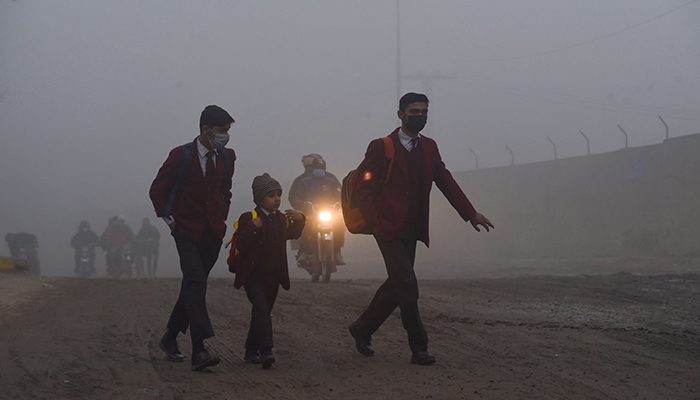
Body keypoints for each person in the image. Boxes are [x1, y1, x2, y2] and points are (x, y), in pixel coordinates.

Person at [347, 93, 494, 365]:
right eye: (414, 111)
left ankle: (362, 328)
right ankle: (419, 347)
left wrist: (470, 213)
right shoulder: (382, 147)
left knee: (398, 285)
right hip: (387, 227)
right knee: (408, 286)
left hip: (412, 227)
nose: (420, 116)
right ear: (400, 114)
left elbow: (445, 180)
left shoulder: (430, 147)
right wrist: (376, 222)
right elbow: (363, 190)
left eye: (424, 112)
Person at [149, 104, 236, 372]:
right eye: (221, 131)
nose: (225, 136)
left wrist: (221, 219)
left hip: (212, 232)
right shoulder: (181, 155)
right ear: (205, 130)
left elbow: (225, 191)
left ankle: (169, 338)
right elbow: (157, 192)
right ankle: (199, 350)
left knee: (193, 284)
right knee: (197, 282)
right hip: (185, 230)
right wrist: (172, 223)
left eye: (228, 131)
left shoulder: (227, 157)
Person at [229, 173, 305, 369]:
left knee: (262, 312)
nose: (277, 199)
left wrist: (301, 219)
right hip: (252, 275)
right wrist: (253, 228)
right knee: (262, 309)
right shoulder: (249, 218)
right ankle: (266, 351)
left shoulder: (281, 219)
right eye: (271, 195)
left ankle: (250, 350)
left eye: (278, 194)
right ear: (260, 198)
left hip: (273, 275)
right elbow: (243, 245)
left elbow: (293, 234)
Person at [292, 157, 346, 266]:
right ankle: (304, 252)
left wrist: (341, 202)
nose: (319, 169)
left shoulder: (331, 181)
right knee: (304, 227)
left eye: (321, 168)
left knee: (340, 225)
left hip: (329, 212)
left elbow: (340, 194)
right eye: (317, 167)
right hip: (311, 213)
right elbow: (297, 197)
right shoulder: (304, 182)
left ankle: (336, 252)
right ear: (313, 168)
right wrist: (301, 204)